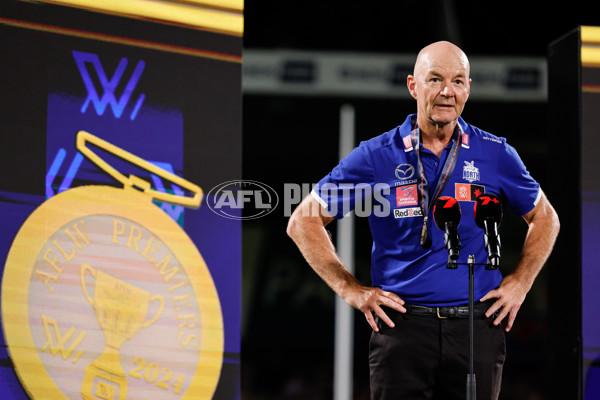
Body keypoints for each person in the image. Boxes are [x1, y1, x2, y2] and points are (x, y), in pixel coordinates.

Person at [286, 41, 560, 399]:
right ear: (413, 86)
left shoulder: (495, 153)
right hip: (401, 330)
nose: (448, 91)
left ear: (468, 89)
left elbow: (545, 217)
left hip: (475, 330)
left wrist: (521, 282)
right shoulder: (376, 155)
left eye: (458, 81)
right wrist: (351, 290)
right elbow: (302, 221)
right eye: (435, 79)